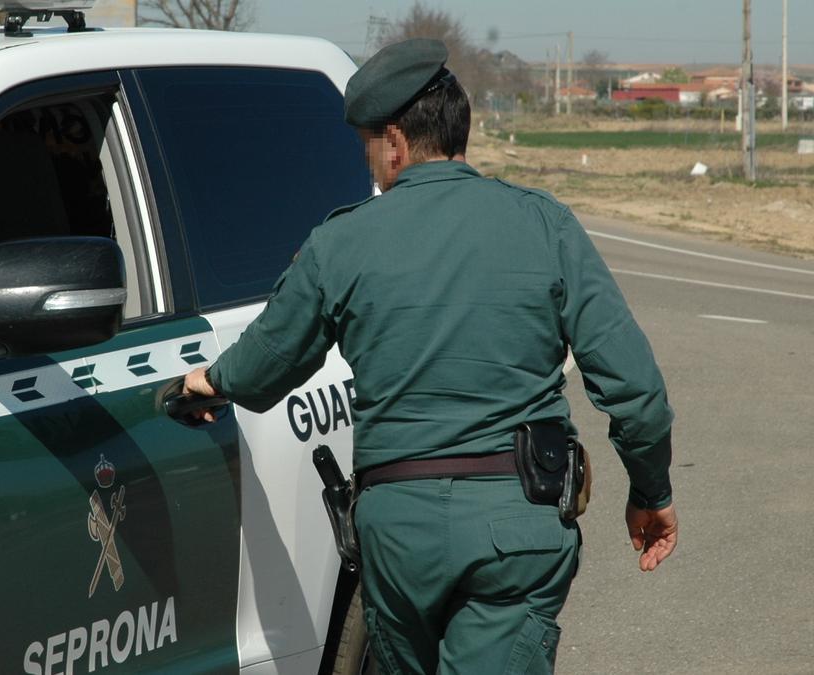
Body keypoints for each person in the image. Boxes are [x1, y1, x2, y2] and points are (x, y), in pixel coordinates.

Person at [183, 38, 678, 674]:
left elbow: (261, 364)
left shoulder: (342, 242)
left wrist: (206, 383)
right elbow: (637, 391)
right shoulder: (545, 225)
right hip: (518, 524)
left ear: (394, 142)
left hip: (399, 535)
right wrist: (651, 491)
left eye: (369, 146)